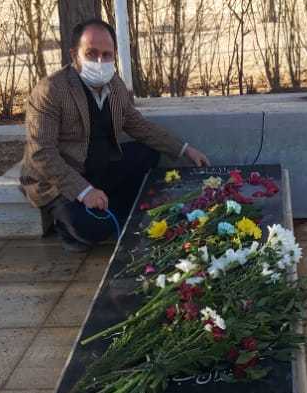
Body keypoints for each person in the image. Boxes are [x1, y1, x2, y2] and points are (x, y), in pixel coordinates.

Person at [20, 19, 210, 253]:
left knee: (147, 153)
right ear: (74, 54)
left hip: (98, 167)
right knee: (91, 229)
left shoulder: (115, 85)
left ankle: (113, 207)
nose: (100, 62)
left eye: (107, 54)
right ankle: (69, 227)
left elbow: (138, 125)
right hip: (59, 180)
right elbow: (42, 153)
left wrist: (185, 149)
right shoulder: (50, 91)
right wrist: (84, 191)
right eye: (91, 53)